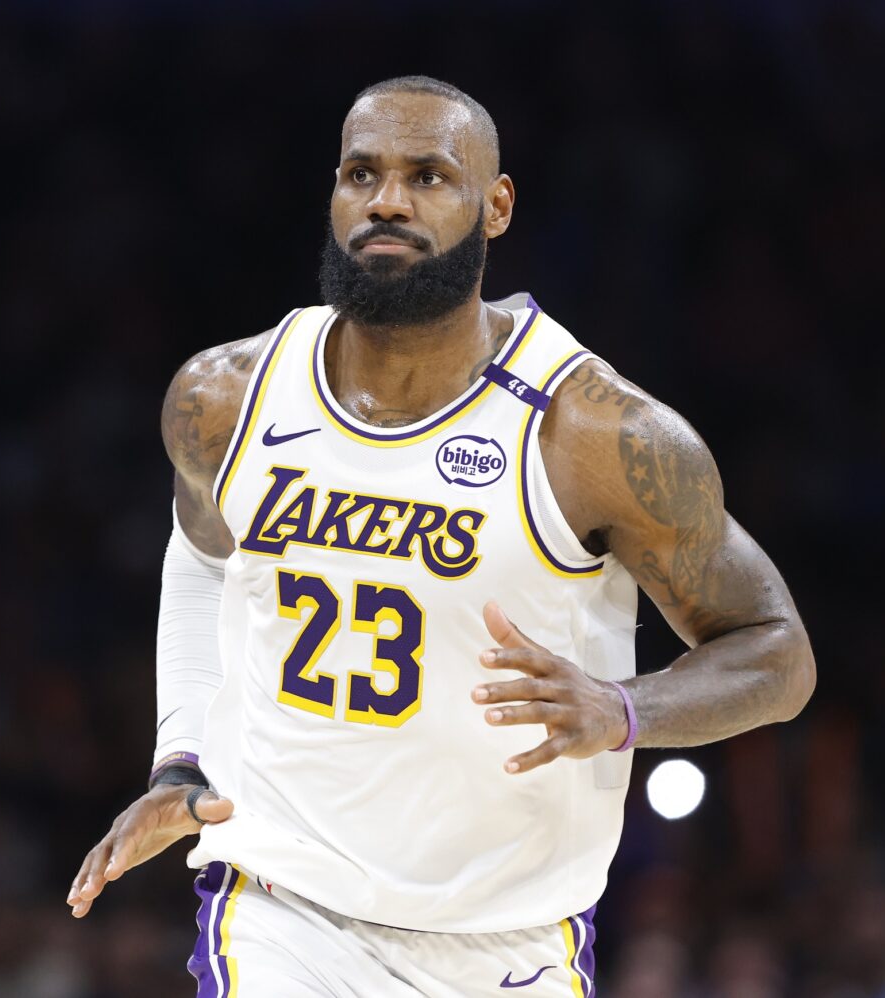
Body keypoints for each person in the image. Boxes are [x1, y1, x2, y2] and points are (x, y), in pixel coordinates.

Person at [66, 75, 816, 996]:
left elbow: (779, 656)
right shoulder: (225, 397)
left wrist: (623, 711)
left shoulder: (591, 434)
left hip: (510, 937)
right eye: (361, 174)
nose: (387, 200)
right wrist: (178, 759)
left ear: (495, 207)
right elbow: (200, 559)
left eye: (428, 177)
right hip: (281, 910)